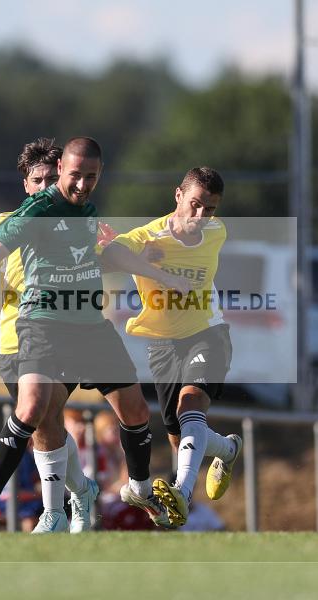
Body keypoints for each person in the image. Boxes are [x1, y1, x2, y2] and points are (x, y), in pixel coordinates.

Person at [0, 137, 188, 532]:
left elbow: (109, 253)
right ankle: (12, 507)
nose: (80, 184)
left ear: (99, 176)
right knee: (38, 416)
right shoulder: (31, 213)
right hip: (35, 332)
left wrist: (156, 271)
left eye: (90, 177)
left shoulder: (86, 213)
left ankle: (132, 490)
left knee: (133, 412)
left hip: (89, 329)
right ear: (52, 175)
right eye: (73, 176)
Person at [0, 138, 97, 534]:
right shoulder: (9, 221)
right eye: (35, 181)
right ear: (26, 185)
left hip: (62, 339)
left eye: (48, 179)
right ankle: (82, 489)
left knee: (40, 411)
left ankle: (49, 513)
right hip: (13, 344)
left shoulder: (74, 219)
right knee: (45, 421)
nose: (42, 188)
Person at [101, 167, 242, 528]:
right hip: (162, 345)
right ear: (177, 195)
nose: (200, 217)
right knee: (180, 437)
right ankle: (226, 449)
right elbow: (111, 256)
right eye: (194, 204)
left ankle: (180, 492)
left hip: (207, 333)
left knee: (189, 405)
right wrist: (153, 268)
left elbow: (124, 254)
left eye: (208, 209)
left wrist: (147, 263)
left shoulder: (216, 232)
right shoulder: (149, 235)